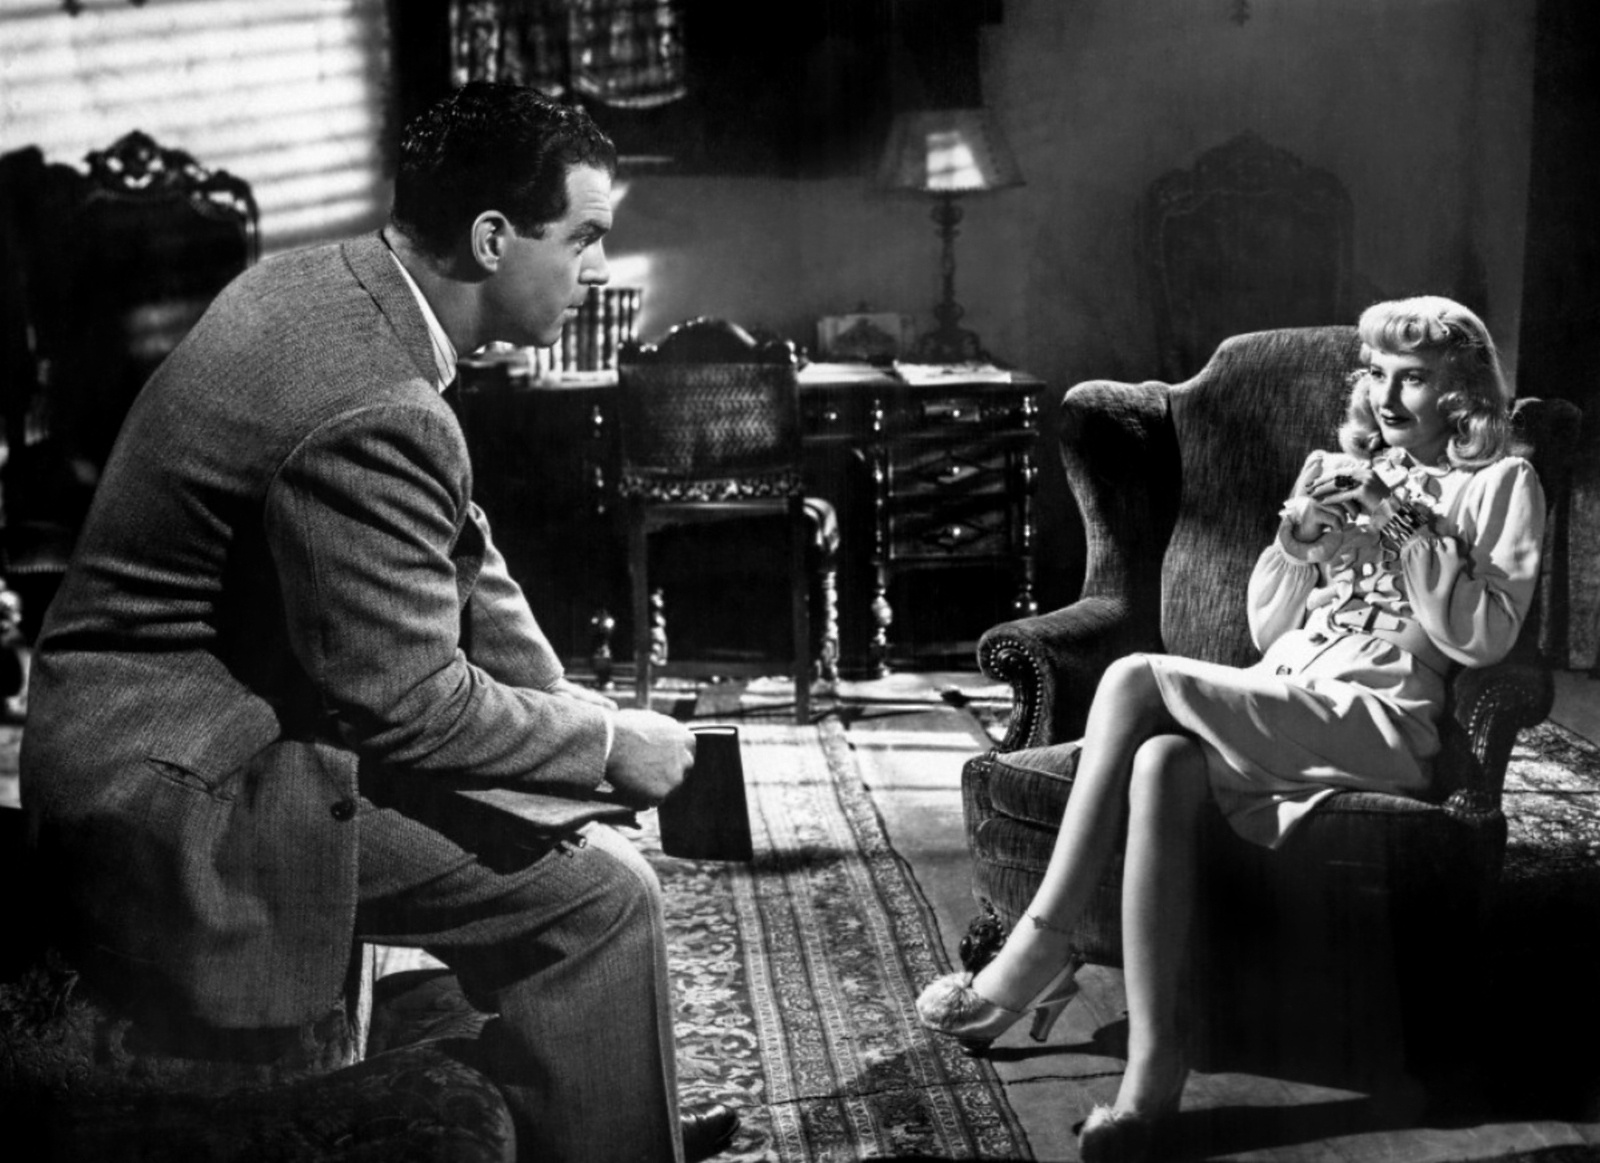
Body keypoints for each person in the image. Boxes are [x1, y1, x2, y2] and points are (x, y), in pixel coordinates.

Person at [20, 82, 738, 1163]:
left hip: (167, 731)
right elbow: (406, 702)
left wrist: (562, 715)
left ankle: (603, 1106)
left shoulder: (327, 285)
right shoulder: (373, 403)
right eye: (584, 237)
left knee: (558, 818)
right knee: (602, 897)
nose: (596, 268)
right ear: (492, 239)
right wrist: (603, 745)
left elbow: (459, 548)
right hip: (173, 802)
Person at [915, 296, 1546, 1162]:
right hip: (1289, 689)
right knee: (1163, 762)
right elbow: (1265, 629)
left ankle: (1037, 947)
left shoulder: (1502, 483)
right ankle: (1153, 1075)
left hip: (1379, 714)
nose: (1387, 393)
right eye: (1377, 373)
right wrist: (1297, 543)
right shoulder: (1335, 465)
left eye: (1414, 377)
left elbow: (1483, 637)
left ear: (1461, 393)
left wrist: (1399, 520)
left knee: (1135, 677)